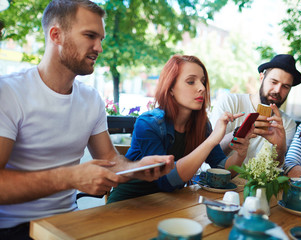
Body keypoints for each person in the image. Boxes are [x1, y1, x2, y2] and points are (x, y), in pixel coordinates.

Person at [0, 1, 173, 239]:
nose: (99, 47)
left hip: (70, 221)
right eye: (90, 36)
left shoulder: (91, 98)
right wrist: (71, 177)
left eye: (100, 38)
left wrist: (137, 169)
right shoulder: (9, 92)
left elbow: (110, 160)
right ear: (56, 35)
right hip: (14, 228)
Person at [107, 55, 253, 203]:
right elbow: (166, 181)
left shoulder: (202, 125)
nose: (202, 88)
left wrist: (240, 154)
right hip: (128, 204)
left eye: (202, 82)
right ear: (170, 88)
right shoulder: (148, 123)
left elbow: (222, 169)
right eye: (191, 82)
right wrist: (211, 140)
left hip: (168, 204)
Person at [210, 54, 301, 166]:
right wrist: (240, 132)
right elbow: (209, 152)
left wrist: (280, 149)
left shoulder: (286, 124)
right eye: (274, 82)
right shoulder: (230, 101)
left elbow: (276, 168)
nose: (277, 90)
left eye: (285, 86)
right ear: (262, 77)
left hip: (255, 183)